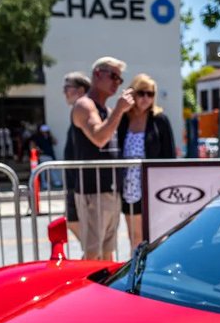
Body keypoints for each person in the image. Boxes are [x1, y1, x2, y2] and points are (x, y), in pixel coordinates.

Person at [71, 57, 134, 260]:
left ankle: (104, 291)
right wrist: (119, 110)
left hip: (110, 189)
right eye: (113, 76)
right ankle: (88, 291)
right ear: (98, 74)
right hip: (92, 190)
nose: (117, 82)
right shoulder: (84, 105)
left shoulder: (106, 110)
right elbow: (99, 138)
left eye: (120, 79)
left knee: (108, 251)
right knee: (92, 252)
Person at [117, 73, 176, 248]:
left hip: (153, 184)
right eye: (141, 93)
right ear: (133, 93)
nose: (145, 98)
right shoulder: (123, 118)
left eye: (150, 94)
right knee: (134, 236)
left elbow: (169, 154)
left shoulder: (160, 120)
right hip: (129, 183)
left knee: (154, 235)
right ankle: (135, 270)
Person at [60, 72, 91, 244]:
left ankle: (92, 255)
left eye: (67, 88)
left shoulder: (84, 109)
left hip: (80, 182)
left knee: (77, 223)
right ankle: (90, 252)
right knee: (72, 222)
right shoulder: (77, 111)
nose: (64, 92)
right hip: (73, 179)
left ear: (80, 90)